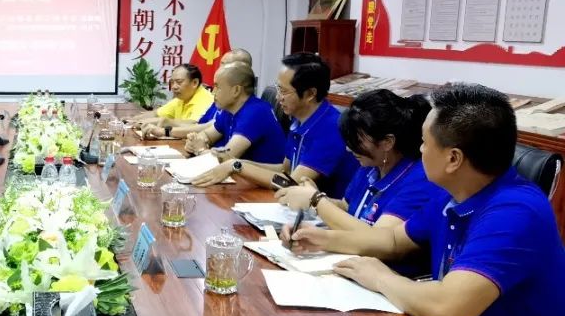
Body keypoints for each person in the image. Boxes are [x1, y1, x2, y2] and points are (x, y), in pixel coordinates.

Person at [290, 84, 565, 316]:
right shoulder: (454, 192)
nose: (419, 150)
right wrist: (322, 238)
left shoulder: (515, 211)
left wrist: (380, 278)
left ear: (453, 159)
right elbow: (393, 240)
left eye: (424, 142)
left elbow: (448, 309)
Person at [276, 90, 440, 231]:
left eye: (357, 141)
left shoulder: (419, 180)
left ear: (387, 142)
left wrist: (316, 201)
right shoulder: (370, 164)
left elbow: (378, 240)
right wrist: (314, 197)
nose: (349, 149)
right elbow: (347, 207)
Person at [211, 53, 358, 198]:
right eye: (278, 88)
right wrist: (237, 162)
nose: (277, 97)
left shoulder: (330, 128)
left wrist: (237, 167)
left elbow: (289, 183)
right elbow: (285, 170)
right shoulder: (299, 120)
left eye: (283, 91)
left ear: (310, 94)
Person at [154, 62, 286, 184]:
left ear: (236, 90)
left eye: (217, 87)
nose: (213, 92)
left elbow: (226, 159)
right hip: (240, 180)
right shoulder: (229, 109)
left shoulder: (255, 112)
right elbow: (207, 135)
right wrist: (195, 140)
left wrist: (200, 149)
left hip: (263, 187)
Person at [131, 63, 214, 134]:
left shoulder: (205, 99)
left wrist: (167, 122)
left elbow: (195, 126)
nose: (174, 87)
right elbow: (156, 114)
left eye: (179, 82)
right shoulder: (182, 98)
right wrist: (131, 121)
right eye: (172, 82)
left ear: (195, 83)